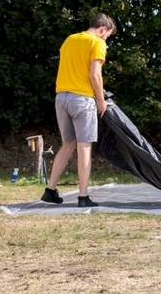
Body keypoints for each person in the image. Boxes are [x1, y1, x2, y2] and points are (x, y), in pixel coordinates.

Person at [41, 13, 117, 207]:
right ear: (102, 29)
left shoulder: (69, 40)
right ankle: (83, 197)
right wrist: (101, 101)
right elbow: (95, 75)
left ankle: (50, 191)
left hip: (61, 97)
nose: (105, 40)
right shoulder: (97, 43)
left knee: (67, 145)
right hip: (82, 100)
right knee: (84, 147)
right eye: (107, 36)